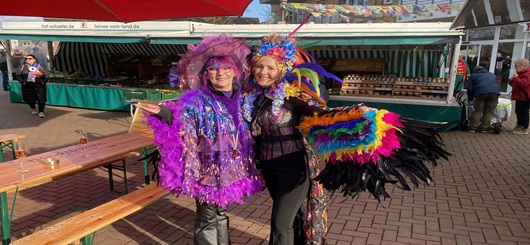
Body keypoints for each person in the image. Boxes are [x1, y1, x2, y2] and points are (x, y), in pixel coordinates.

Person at [242, 33, 450, 245]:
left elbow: (322, 113)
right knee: (293, 219)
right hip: (269, 168)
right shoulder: (254, 97)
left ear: (282, 70)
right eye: (260, 66)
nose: (263, 72)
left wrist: (355, 112)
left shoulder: (292, 96)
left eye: (270, 68)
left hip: (292, 167)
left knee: (279, 225)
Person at [135, 34, 264, 245]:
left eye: (226, 68)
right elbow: (179, 117)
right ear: (206, 74)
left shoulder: (244, 98)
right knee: (207, 217)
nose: (220, 73)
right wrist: (162, 112)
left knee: (221, 213)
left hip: (232, 168)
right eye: (213, 69)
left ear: (235, 72)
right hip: (206, 170)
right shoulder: (197, 100)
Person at [465, 66, 501, 133]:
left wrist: (470, 98)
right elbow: (497, 84)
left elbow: (469, 89)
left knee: (478, 111)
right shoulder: (492, 75)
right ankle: (484, 128)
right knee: (488, 111)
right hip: (494, 93)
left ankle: (473, 128)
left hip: (481, 93)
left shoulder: (473, 76)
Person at [508, 58, 530, 135]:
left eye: (516, 65)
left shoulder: (527, 73)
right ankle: (519, 125)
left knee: (523, 112)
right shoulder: (520, 73)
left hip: (524, 97)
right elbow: (513, 84)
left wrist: (516, 78)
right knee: (518, 111)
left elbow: (524, 84)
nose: (515, 67)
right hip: (519, 96)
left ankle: (524, 127)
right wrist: (512, 79)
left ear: (522, 66)